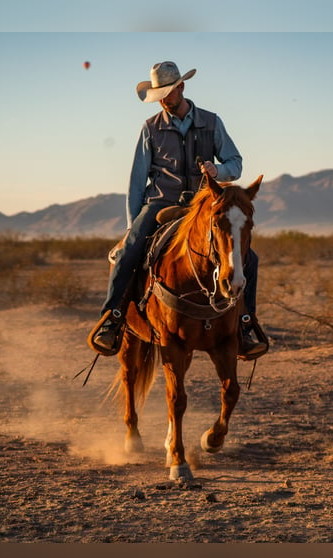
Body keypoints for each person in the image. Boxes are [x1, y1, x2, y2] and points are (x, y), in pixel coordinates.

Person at [90, 61, 266, 360]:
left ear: (181, 88)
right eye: (158, 95)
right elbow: (136, 181)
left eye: (167, 93)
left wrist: (219, 169)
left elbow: (236, 163)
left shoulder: (212, 122)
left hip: (203, 206)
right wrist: (133, 226)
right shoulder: (150, 128)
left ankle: (245, 324)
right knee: (127, 252)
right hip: (160, 203)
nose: (163, 100)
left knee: (249, 258)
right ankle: (113, 318)